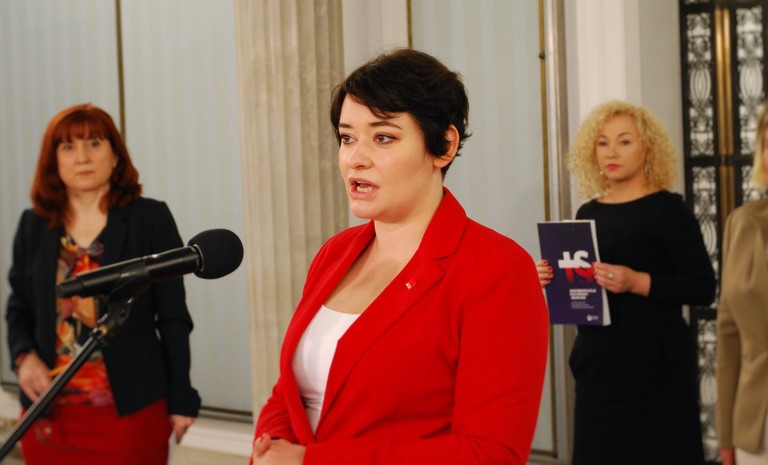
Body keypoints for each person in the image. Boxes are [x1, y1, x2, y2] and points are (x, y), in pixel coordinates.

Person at [249, 48, 549, 464]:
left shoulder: (496, 268)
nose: (356, 158)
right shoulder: (335, 253)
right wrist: (270, 449)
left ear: (444, 146)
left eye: (383, 137)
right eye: (347, 137)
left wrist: (309, 461)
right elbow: (288, 393)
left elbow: (490, 453)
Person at [6, 103, 200, 464]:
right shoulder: (34, 225)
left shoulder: (149, 218)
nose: (82, 157)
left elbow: (173, 316)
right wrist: (23, 357)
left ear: (115, 155)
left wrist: (182, 398)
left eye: (94, 143)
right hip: (48, 416)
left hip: (130, 413)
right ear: (54, 160)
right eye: (68, 147)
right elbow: (19, 306)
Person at [537, 101, 716, 465]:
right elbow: (580, 290)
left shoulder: (669, 210)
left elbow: (702, 288)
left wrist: (636, 282)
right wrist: (551, 276)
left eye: (624, 142)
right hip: (598, 366)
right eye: (602, 143)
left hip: (657, 367)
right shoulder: (588, 213)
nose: (611, 152)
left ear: (647, 148)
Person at [716, 102, 768, 465]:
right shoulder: (742, 223)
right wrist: (726, 435)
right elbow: (728, 334)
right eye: (767, 144)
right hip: (756, 426)